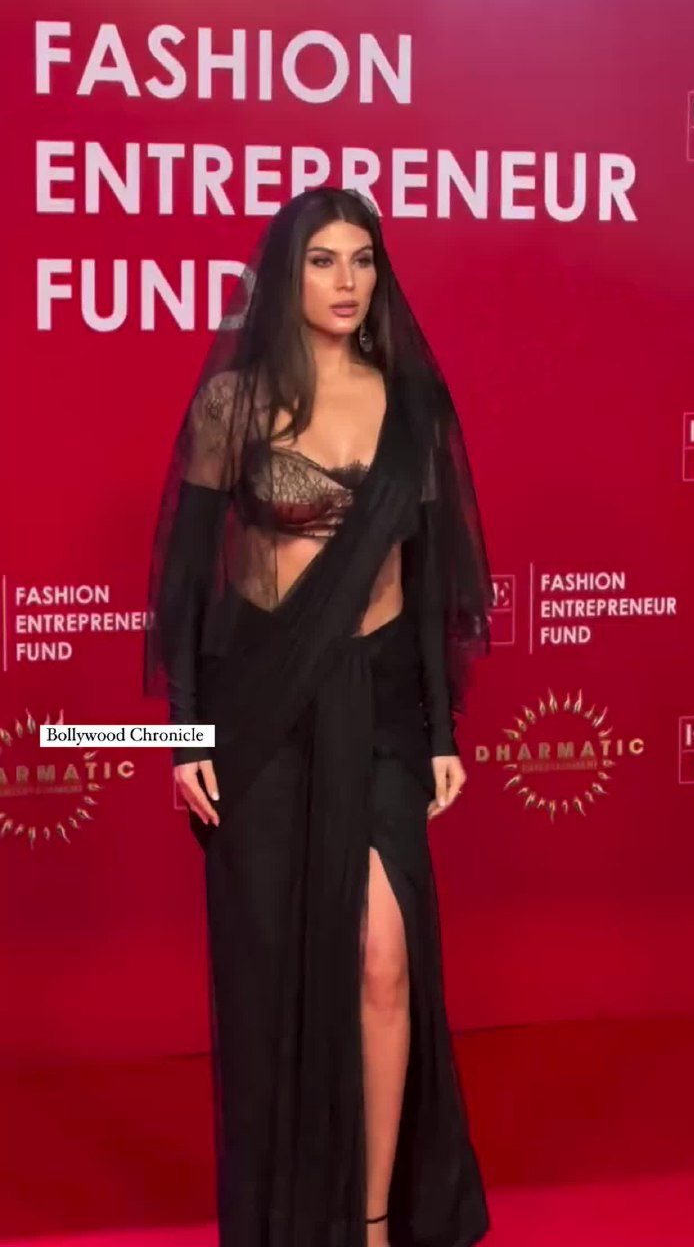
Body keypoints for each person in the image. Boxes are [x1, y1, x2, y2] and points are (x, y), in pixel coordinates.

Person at [143, 186, 494, 1247]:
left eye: (364, 260)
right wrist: (184, 735)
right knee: (270, 975)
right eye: (323, 261)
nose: (348, 282)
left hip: (379, 710)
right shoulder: (235, 405)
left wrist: (441, 731)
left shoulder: (412, 404)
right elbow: (189, 582)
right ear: (285, 276)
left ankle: (375, 1222)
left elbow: (428, 588)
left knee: (385, 960)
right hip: (261, 713)